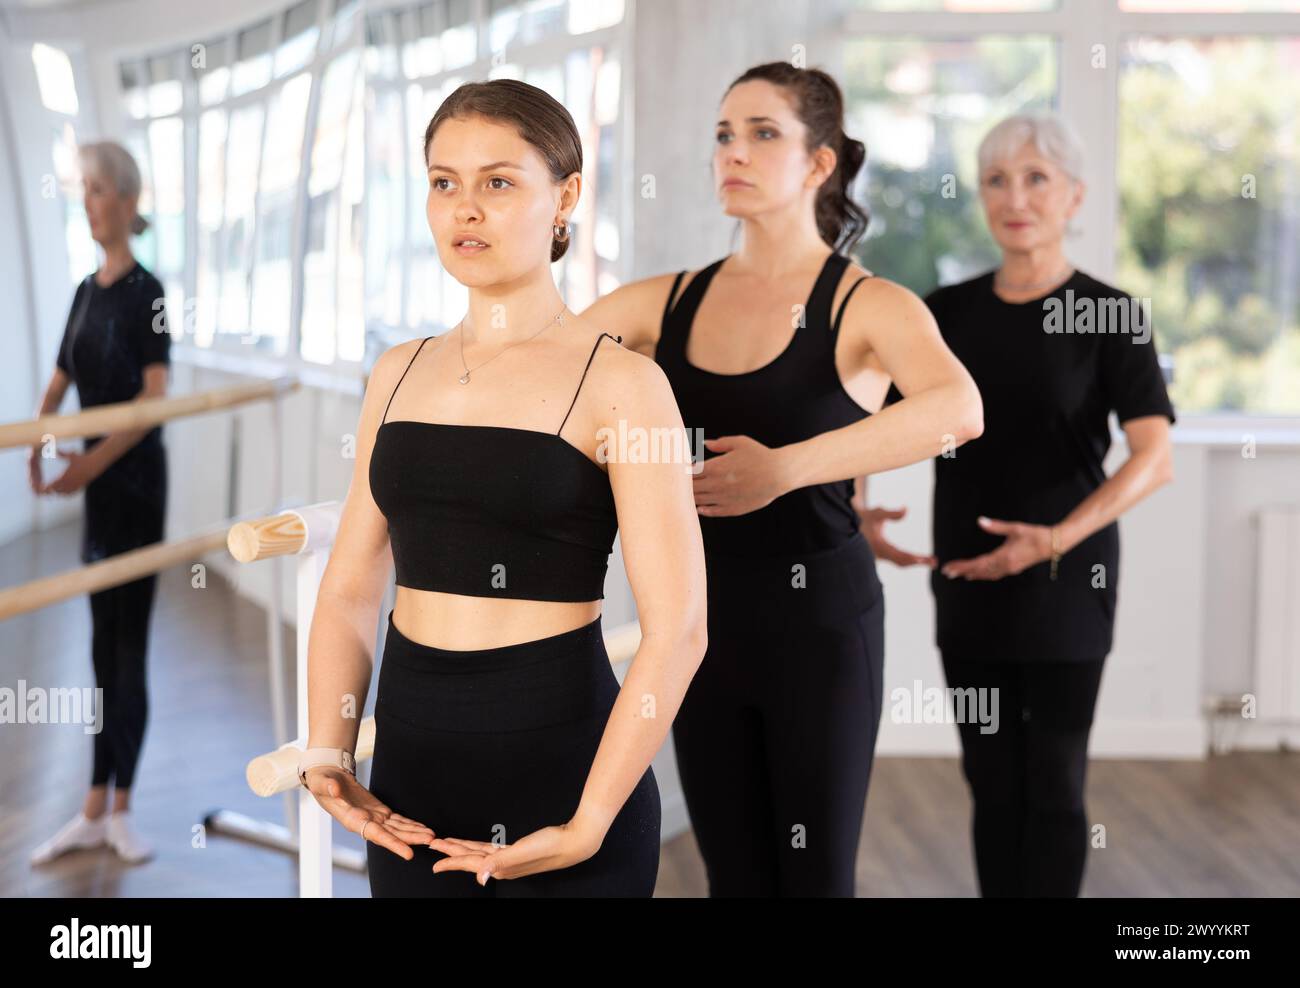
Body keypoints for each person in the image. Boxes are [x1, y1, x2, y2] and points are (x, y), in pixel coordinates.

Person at [581, 61, 983, 896]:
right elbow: (548, 369)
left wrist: (787, 471)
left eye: (764, 133)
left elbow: (959, 409)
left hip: (822, 628)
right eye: (725, 134)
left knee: (813, 876)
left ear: (820, 162)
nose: (735, 151)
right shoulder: (665, 302)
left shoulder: (867, 305)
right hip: (697, 623)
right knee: (732, 872)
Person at [299, 79, 708, 897]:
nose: (465, 209)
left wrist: (589, 823)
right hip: (410, 781)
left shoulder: (622, 383)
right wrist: (326, 749)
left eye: (498, 182)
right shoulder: (397, 371)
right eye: (444, 182)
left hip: (561, 772)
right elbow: (349, 589)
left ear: (567, 196)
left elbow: (680, 628)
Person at [863, 112, 1176, 897]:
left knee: (1055, 784)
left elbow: (1155, 456)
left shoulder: (1111, 315)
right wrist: (859, 505)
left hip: (1069, 583)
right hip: (968, 580)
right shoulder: (946, 313)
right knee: (991, 782)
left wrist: (1057, 539)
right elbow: (867, 414)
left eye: (1037, 178)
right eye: (998, 180)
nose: (1017, 197)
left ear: (1074, 196)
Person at [29, 140, 171, 866]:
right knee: (97, 646)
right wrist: (36, 438)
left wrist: (90, 465)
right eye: (82, 191)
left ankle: (123, 807)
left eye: (95, 190)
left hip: (136, 486)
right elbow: (60, 377)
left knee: (129, 647)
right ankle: (91, 802)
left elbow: (153, 399)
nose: (87, 203)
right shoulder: (86, 291)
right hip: (96, 490)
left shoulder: (148, 290)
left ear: (124, 198)